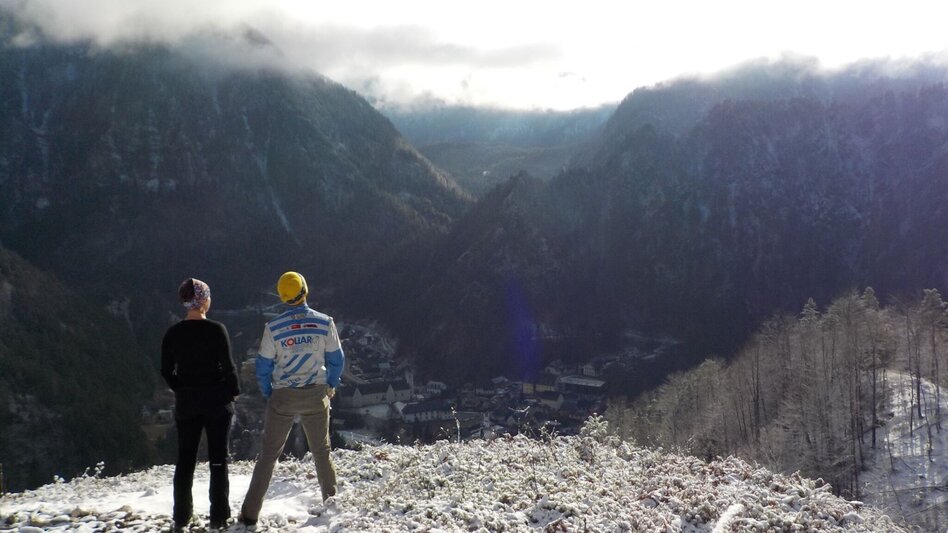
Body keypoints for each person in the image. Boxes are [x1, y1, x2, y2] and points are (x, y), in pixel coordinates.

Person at [240, 271, 344, 528]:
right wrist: (330, 384)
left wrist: (269, 392)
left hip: (283, 397)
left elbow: (263, 366)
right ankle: (332, 504)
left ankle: (250, 513)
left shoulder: (273, 328)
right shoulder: (324, 322)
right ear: (305, 291)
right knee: (321, 452)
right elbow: (336, 360)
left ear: (282, 298)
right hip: (316, 394)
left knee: (268, 456)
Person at [161, 278, 240, 532]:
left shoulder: (173, 332)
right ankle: (218, 516)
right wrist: (233, 391)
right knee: (218, 459)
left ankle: (181, 516)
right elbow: (228, 367)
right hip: (217, 401)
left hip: (187, 403)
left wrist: (180, 388)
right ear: (204, 300)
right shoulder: (217, 330)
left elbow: (165, 370)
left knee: (185, 459)